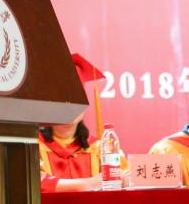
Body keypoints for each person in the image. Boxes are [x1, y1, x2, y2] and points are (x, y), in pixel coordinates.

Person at [39, 54, 129, 192]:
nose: (69, 106)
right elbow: (32, 183)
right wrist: (91, 183)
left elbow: (126, 179)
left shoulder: (99, 148)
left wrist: (123, 180)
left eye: (76, 99)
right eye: (61, 99)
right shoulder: (33, 147)